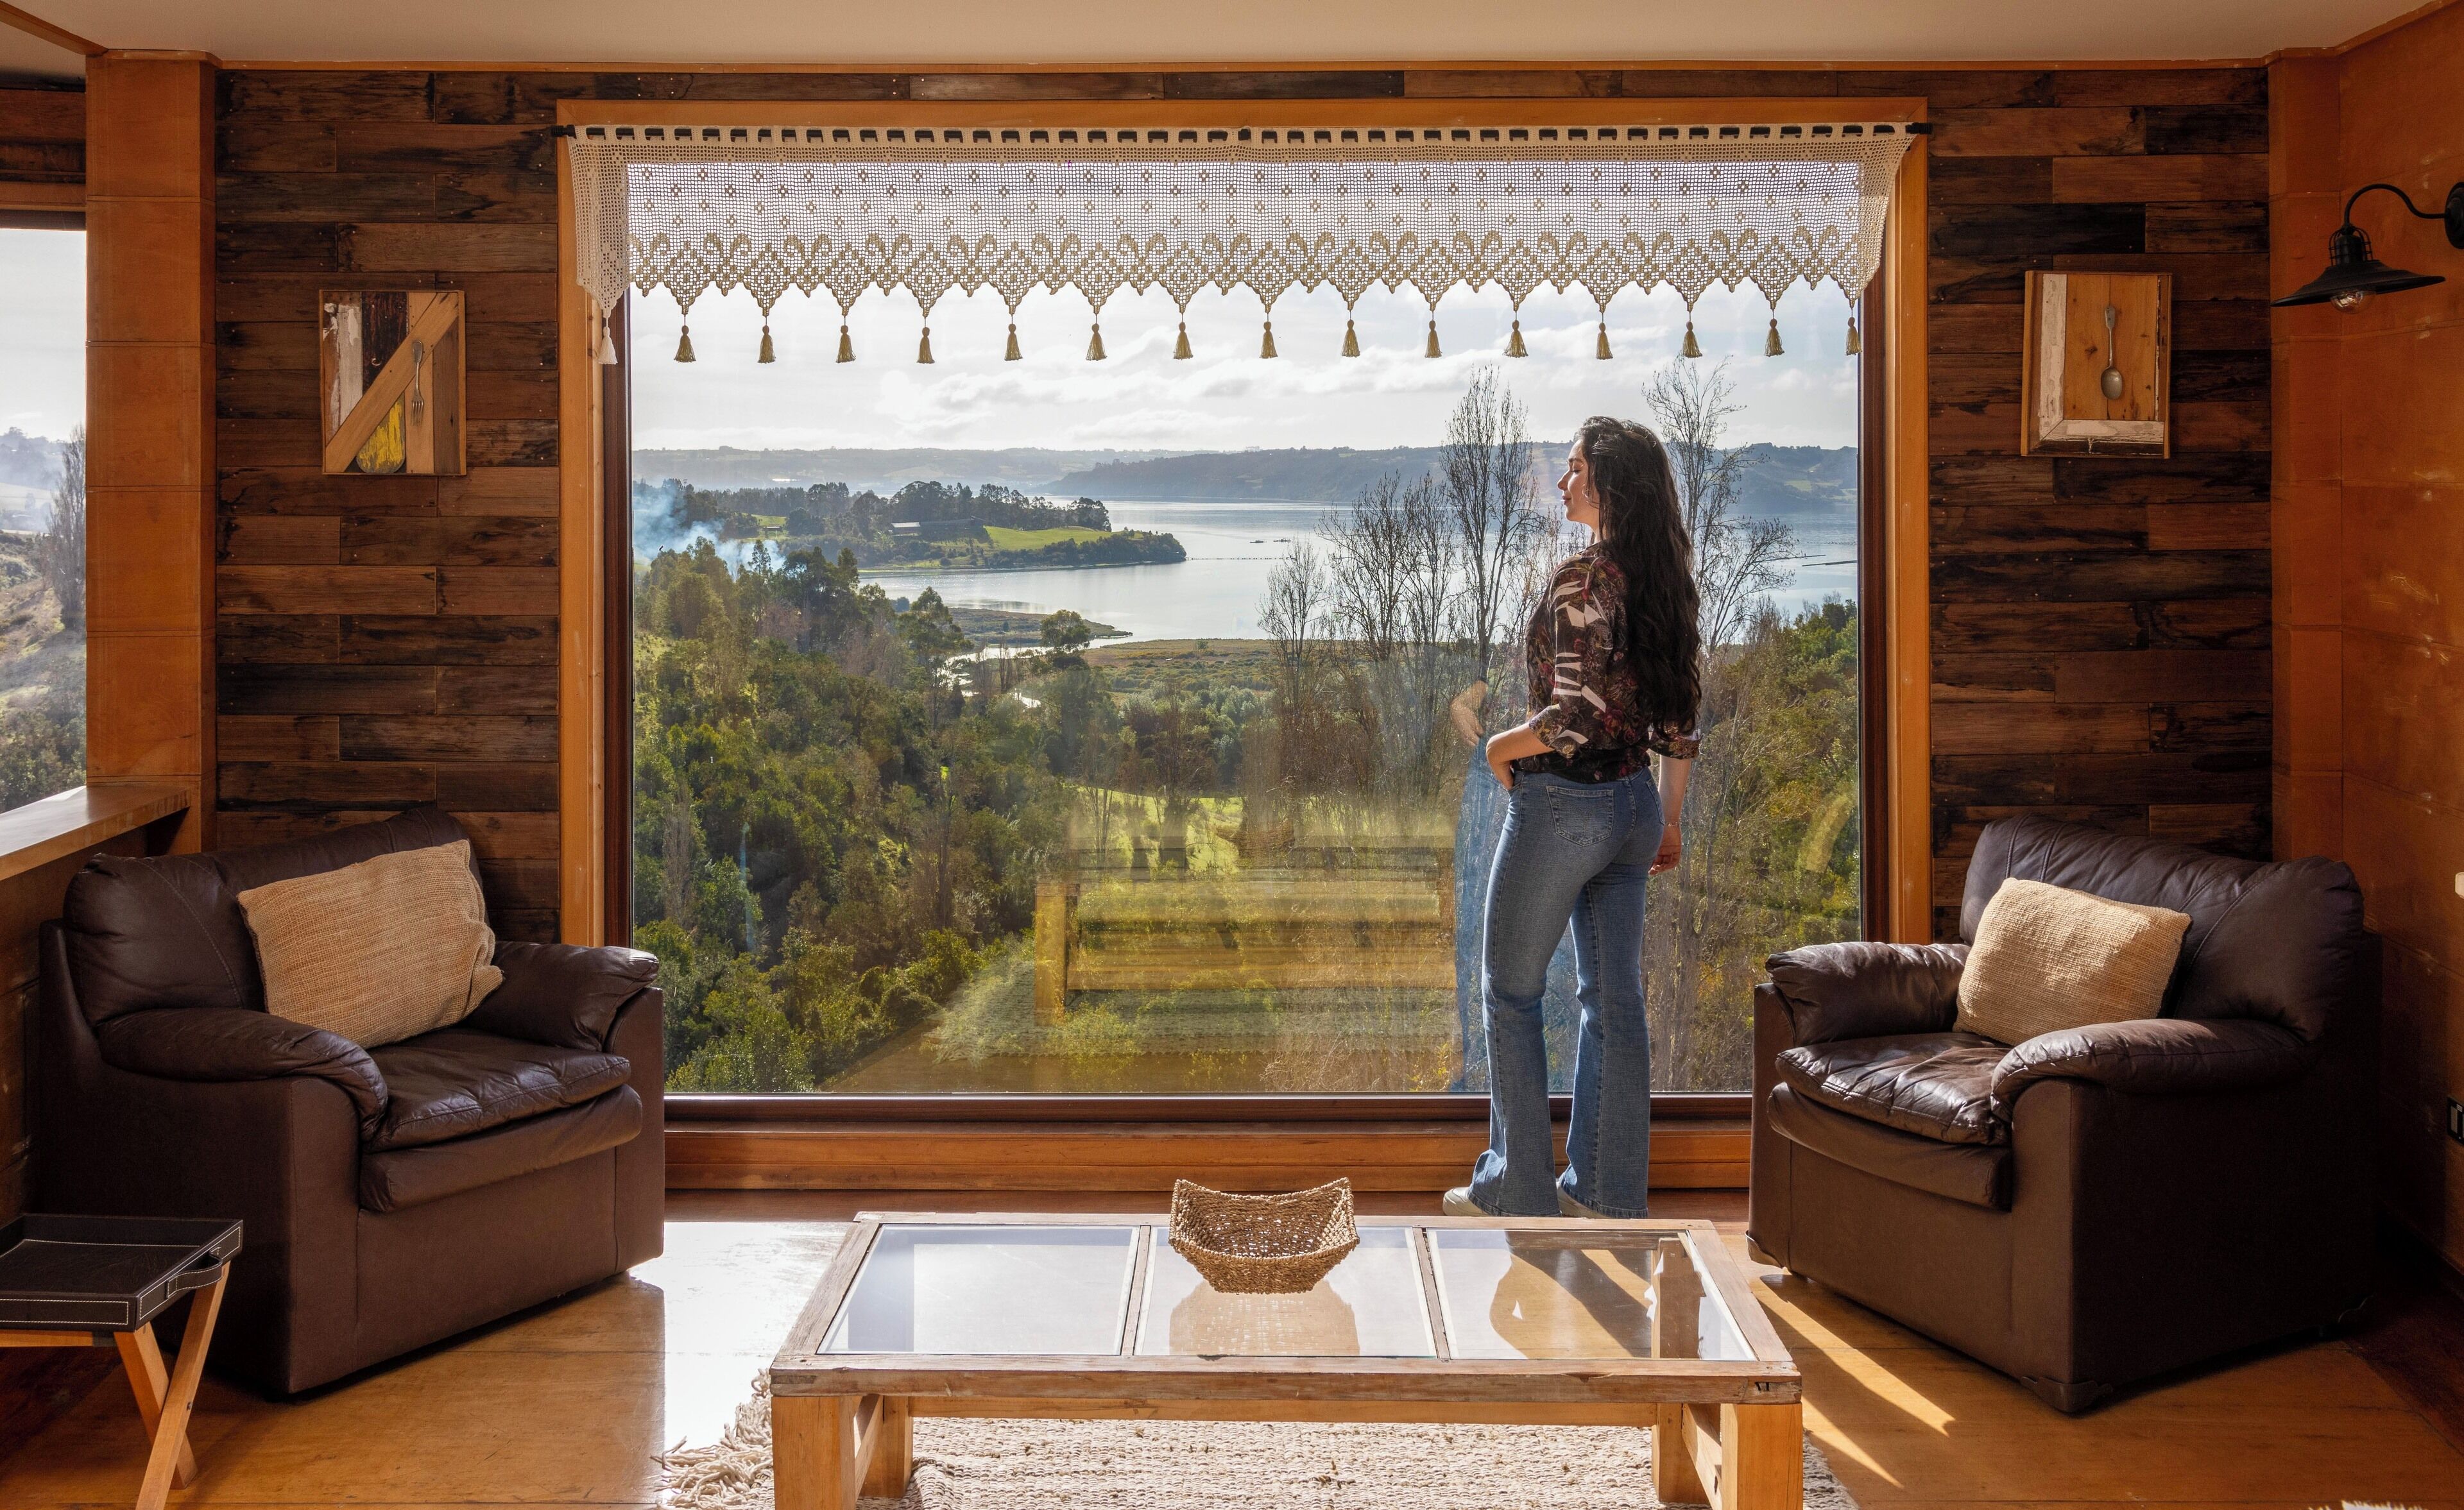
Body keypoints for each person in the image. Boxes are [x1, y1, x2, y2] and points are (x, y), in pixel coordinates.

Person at [1444, 417, 1702, 1220]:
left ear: (1608, 485)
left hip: (1567, 806)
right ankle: (1608, 1191)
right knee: (1613, 1000)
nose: (1562, 482)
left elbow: (1572, 718)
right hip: (1631, 809)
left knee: (1509, 991)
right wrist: (1669, 819)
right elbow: (1681, 719)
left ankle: (1517, 1186)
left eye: (1575, 468)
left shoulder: (1581, 582)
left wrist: (1497, 744)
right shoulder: (1662, 578)